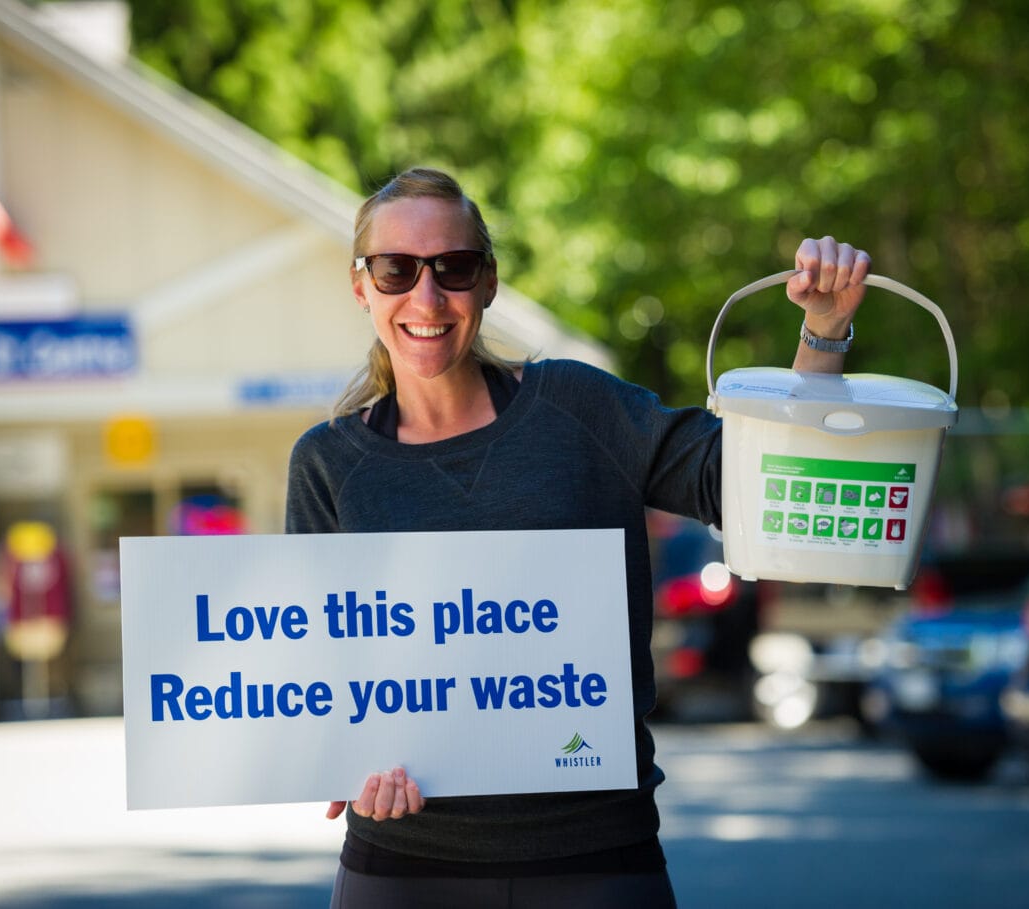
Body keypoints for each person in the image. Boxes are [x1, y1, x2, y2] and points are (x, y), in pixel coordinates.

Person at [285, 167, 871, 908]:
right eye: (397, 269)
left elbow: (758, 486)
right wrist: (344, 763)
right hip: (402, 867)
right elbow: (315, 678)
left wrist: (823, 332)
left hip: (595, 858)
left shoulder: (581, 408)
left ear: (489, 281)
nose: (426, 298)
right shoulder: (327, 462)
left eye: (454, 268)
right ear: (362, 285)